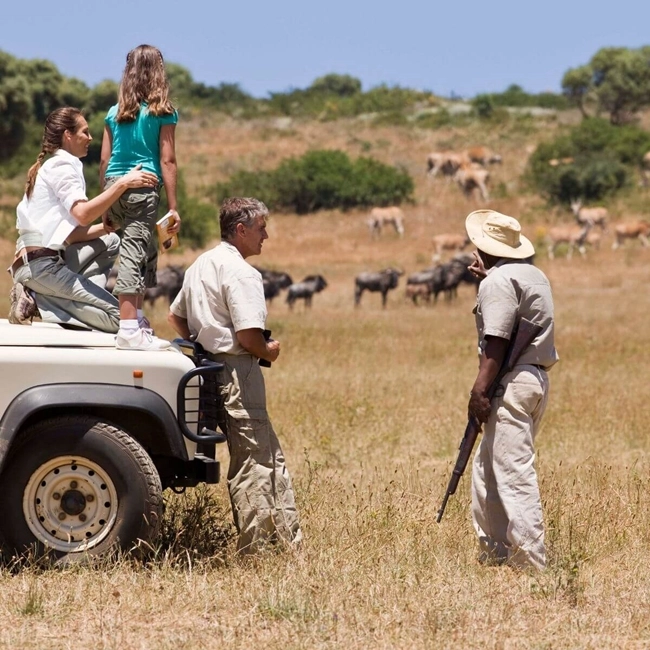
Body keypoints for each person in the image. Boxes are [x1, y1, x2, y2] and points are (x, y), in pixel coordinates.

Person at [167, 197, 302, 555]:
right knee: (255, 461)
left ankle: (284, 541)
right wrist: (268, 350)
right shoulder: (242, 272)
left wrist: (204, 341)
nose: (266, 236)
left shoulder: (200, 264)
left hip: (208, 368)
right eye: (261, 229)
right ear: (240, 230)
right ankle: (256, 549)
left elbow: (175, 317)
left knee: (265, 454)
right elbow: (248, 336)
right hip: (238, 372)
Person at [464, 209, 559, 570]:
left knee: (513, 474)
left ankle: (531, 564)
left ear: (482, 246)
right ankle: (497, 555)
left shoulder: (497, 282)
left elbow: (497, 339)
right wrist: (489, 278)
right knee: (488, 472)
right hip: (534, 381)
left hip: (510, 384)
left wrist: (479, 391)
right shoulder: (532, 275)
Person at [8, 106, 159, 331]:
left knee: (111, 242)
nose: (90, 138)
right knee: (125, 321)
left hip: (39, 262)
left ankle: (66, 299)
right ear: (68, 135)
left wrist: (108, 227)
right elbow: (83, 213)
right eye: (85, 132)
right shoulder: (63, 165)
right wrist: (123, 183)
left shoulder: (56, 165)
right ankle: (37, 300)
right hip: (41, 267)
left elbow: (71, 238)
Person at [100, 44, 181, 351]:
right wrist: (173, 207)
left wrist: (105, 201)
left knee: (146, 250)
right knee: (135, 253)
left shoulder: (113, 112)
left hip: (114, 185)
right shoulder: (164, 112)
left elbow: (105, 161)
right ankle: (128, 329)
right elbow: (168, 160)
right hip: (143, 186)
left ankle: (140, 322)